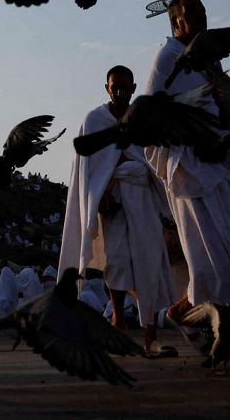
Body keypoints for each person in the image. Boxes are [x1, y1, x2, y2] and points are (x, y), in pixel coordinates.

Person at [142, 0, 230, 319]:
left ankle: (183, 315)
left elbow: (221, 105)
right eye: (193, 12)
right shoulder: (166, 58)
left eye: (204, 10)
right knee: (212, 261)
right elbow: (153, 120)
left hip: (221, 163)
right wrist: (197, 137)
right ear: (176, 22)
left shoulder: (209, 59)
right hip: (191, 170)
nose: (202, 16)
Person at [59, 64, 178, 356]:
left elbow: (156, 159)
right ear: (107, 88)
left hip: (143, 197)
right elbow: (87, 169)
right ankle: (118, 319)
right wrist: (99, 197)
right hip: (112, 201)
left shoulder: (143, 119)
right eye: (115, 86)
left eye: (126, 86)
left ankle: (150, 332)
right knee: (118, 261)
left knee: (149, 263)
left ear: (134, 88)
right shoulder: (94, 120)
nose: (120, 91)